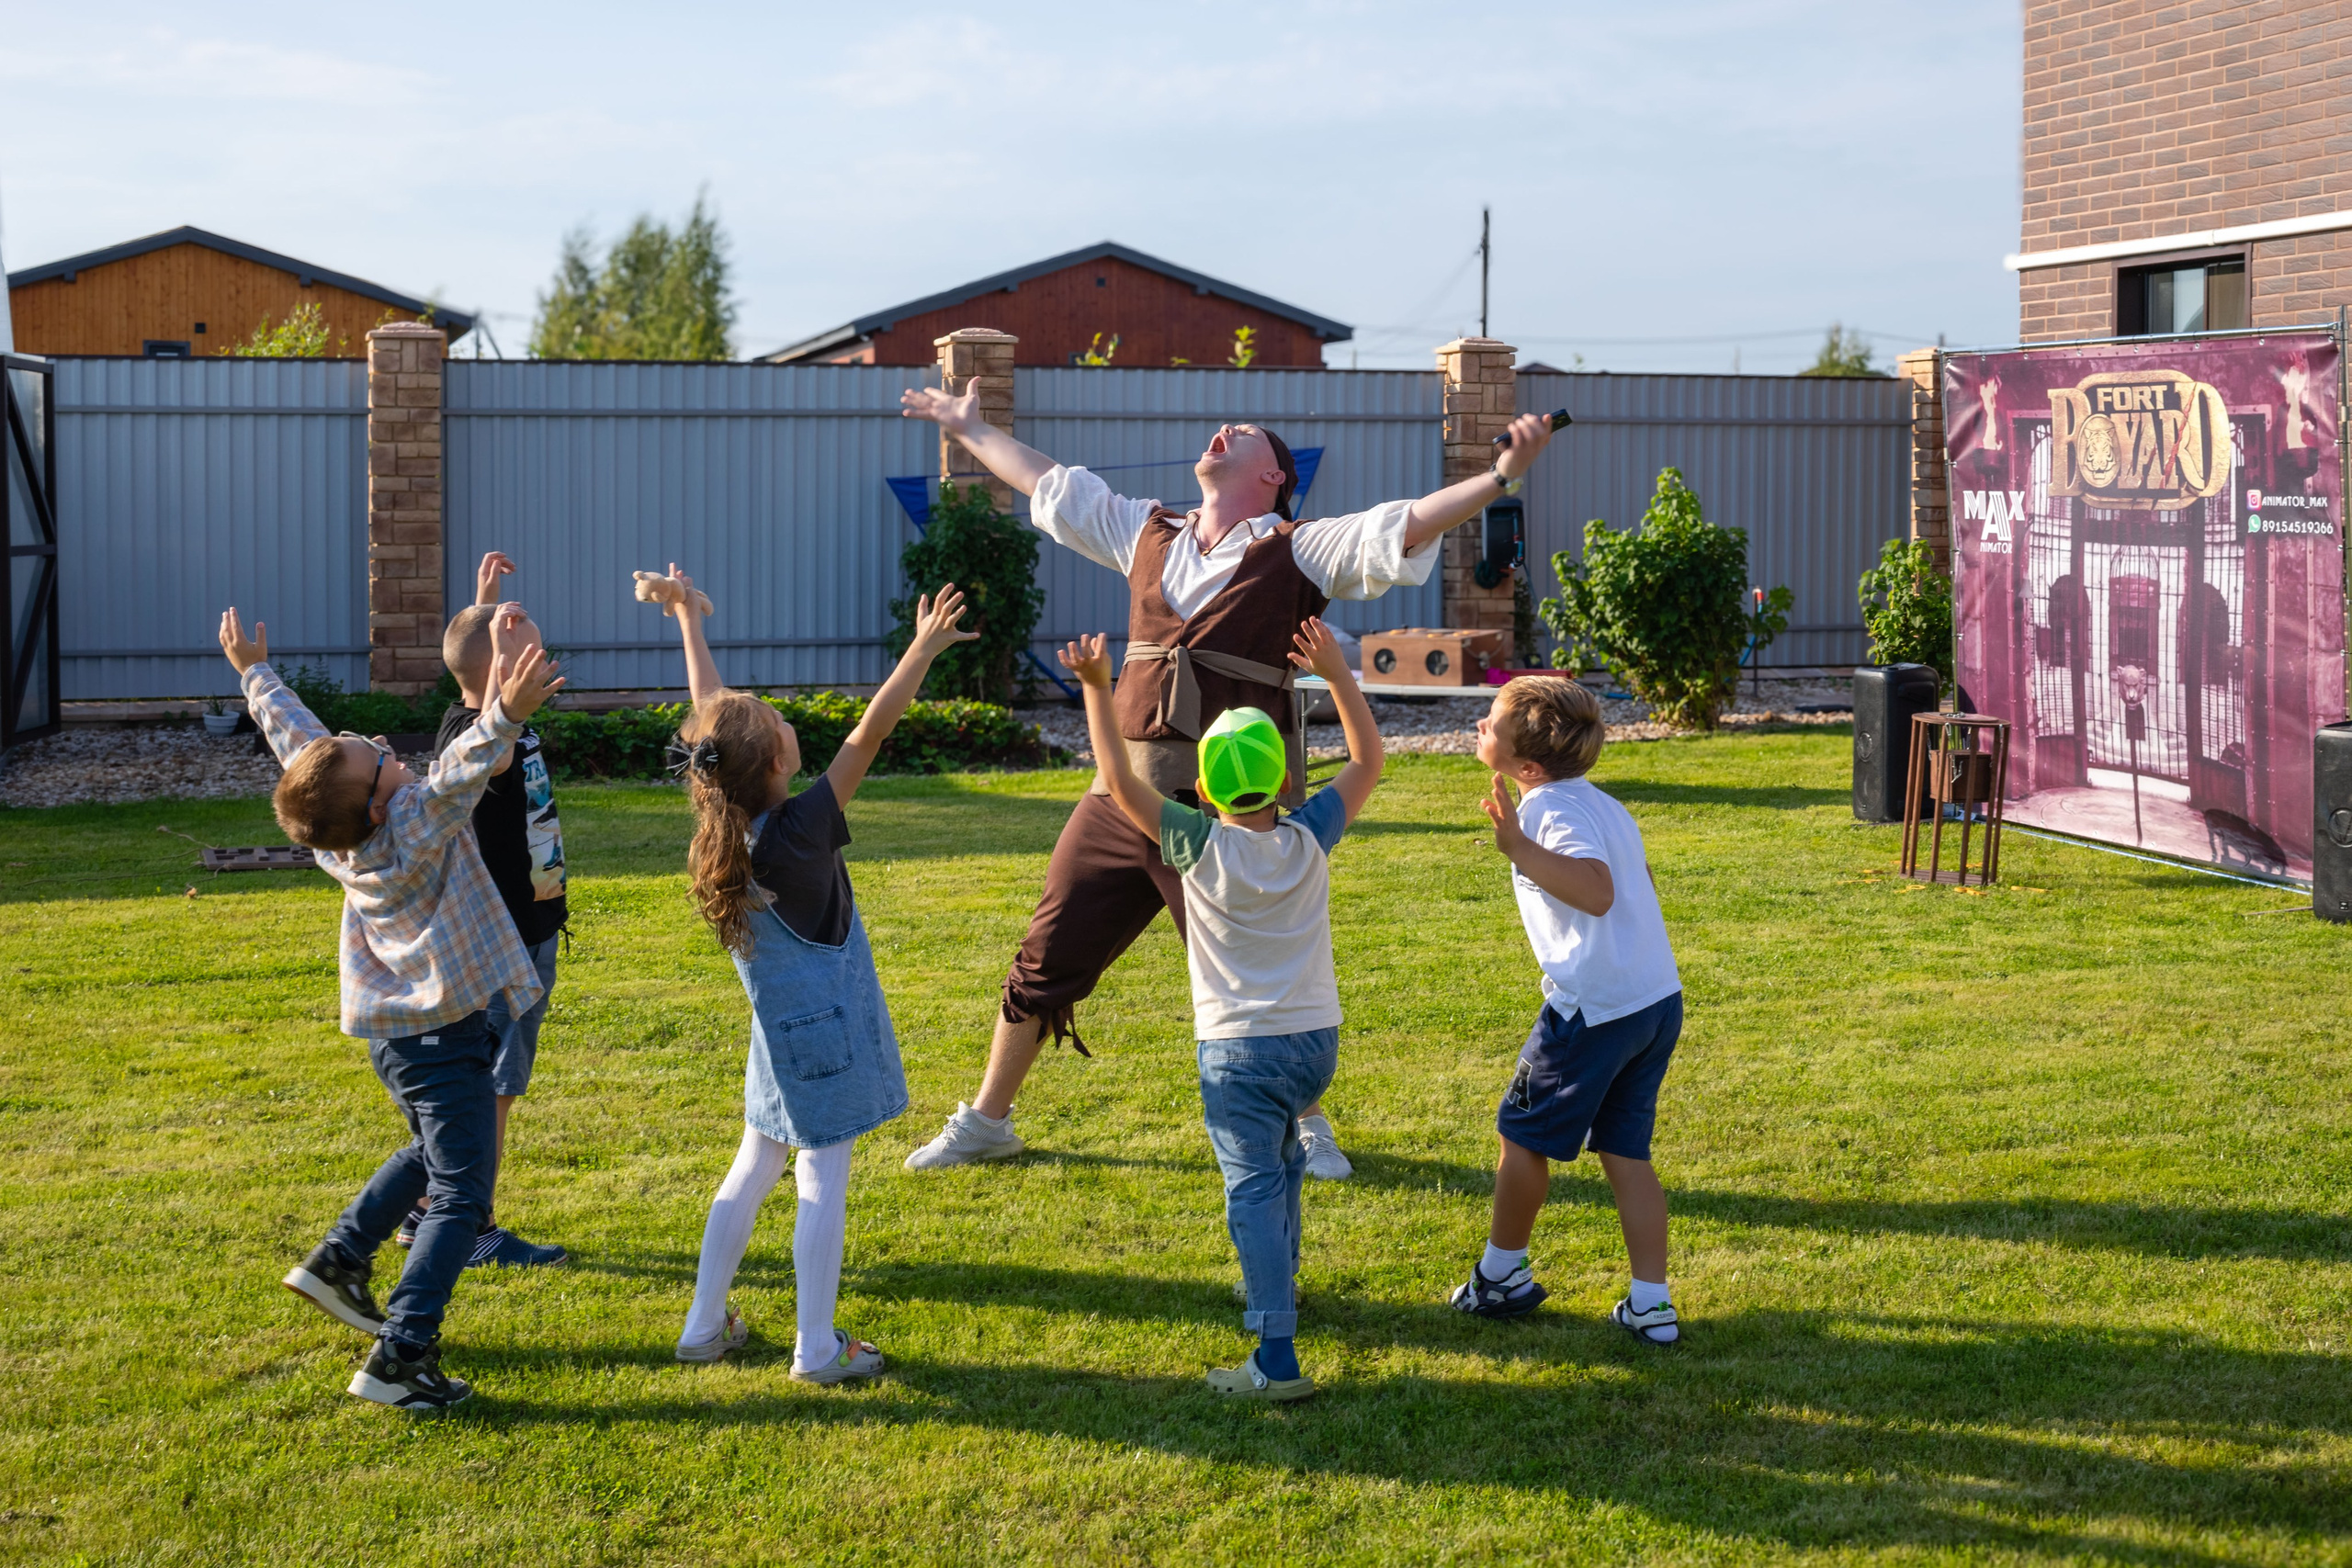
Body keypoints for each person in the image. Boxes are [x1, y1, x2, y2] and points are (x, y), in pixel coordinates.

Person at [898, 384, 1562, 1172]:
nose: (1222, 429)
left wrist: (1499, 478)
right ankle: (986, 1120)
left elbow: (1406, 521)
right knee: (1045, 955)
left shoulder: (1298, 547)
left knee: (1259, 972)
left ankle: (1308, 1126)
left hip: (1237, 815)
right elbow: (1048, 483)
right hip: (1125, 797)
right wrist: (971, 427)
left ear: (1274, 476)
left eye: (1242, 431)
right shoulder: (1146, 530)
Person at [225, 601, 565, 1409]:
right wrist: (505, 714)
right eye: (378, 758)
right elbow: (460, 774)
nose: (384, 748)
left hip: (401, 1040)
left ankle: (339, 1259)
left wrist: (254, 672)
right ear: (381, 803)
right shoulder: (412, 824)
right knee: (460, 1193)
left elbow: (298, 741)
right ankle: (402, 1355)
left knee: (430, 1149)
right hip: (440, 1036)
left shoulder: (342, 832)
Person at [644, 564, 978, 1382]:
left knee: (756, 1163)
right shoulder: (800, 832)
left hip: (774, 1037)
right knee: (821, 1173)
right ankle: (817, 1347)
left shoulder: (722, 820)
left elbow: (711, 726)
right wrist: (921, 652)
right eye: (781, 724)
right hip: (822, 1038)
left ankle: (701, 1326)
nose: (787, 721)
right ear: (775, 764)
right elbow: (869, 732)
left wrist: (690, 618)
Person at [1058, 616, 1383, 1401]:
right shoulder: (1310, 838)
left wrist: (1100, 692)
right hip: (1314, 1045)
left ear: (1202, 789)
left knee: (1253, 1188)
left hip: (1239, 1051)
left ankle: (1275, 1356)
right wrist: (1337, 674)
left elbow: (1117, 775)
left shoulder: (1193, 844)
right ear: (1281, 783)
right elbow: (1370, 759)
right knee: (1285, 1166)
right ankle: (1287, 1278)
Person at [1448, 677, 1685, 1345]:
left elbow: (1599, 891)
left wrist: (1520, 847)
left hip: (1594, 1012)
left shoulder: (1551, 810)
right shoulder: (1600, 804)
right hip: (1652, 1000)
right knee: (1626, 1152)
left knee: (1521, 1134)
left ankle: (1500, 1277)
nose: (1478, 725)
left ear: (1526, 766)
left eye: (1488, 723)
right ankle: (1651, 1304)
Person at [387, 550, 569, 1267]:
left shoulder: (484, 719)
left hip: (530, 932)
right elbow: (486, 757)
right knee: (493, 1087)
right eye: (528, 653)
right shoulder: (473, 737)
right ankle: (471, 1223)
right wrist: (499, 668)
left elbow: (471, 675)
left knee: (491, 1081)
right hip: (505, 946)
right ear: (498, 675)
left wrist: (485, 603)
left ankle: (428, 1210)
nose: (544, 659)